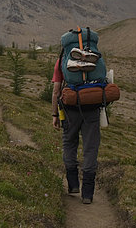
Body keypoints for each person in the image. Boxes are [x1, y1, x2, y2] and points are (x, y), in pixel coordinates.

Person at [52, 57, 101, 204]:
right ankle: (87, 194)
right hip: (92, 109)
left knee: (69, 143)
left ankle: (73, 185)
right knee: (90, 148)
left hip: (69, 109)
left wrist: (55, 114)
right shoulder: (95, 58)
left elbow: (56, 90)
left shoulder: (62, 59)